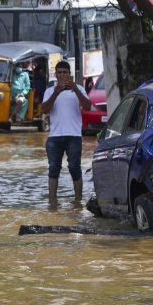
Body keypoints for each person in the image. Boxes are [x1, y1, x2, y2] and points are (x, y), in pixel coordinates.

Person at [41, 60, 91, 202]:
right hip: (55, 136)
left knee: (75, 167)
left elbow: (88, 106)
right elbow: (44, 110)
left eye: (65, 72)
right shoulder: (50, 91)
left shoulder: (79, 89)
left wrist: (75, 89)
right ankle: (52, 202)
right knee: (53, 169)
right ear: (55, 75)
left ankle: (78, 200)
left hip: (74, 135)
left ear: (70, 75)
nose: (62, 75)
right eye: (60, 72)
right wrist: (56, 93)